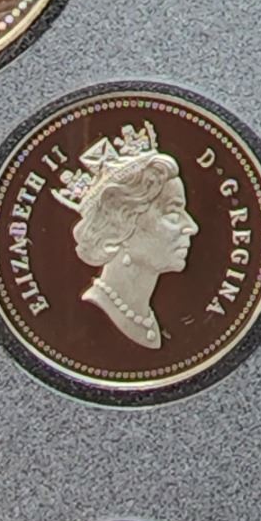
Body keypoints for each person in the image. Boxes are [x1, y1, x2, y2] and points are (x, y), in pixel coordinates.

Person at [54, 121, 198, 350]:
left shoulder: (144, 315)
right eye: (172, 213)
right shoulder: (93, 313)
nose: (192, 227)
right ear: (122, 224)